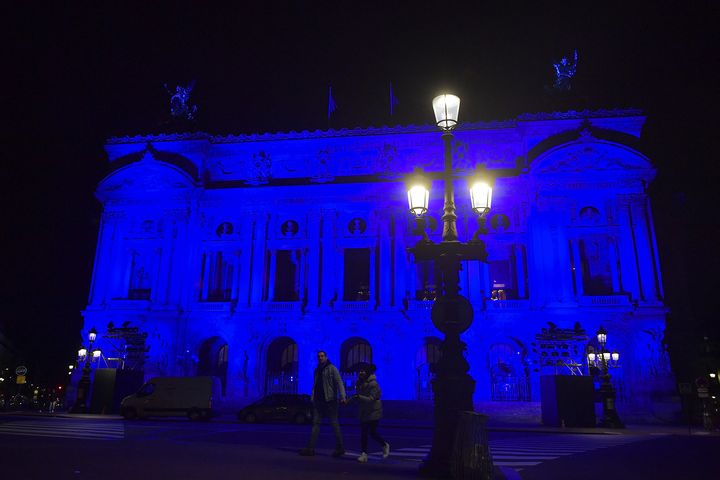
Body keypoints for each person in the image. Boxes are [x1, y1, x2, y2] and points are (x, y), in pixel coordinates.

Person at [299, 350, 347, 457]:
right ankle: (310, 449)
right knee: (315, 425)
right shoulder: (317, 370)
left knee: (334, 424)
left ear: (326, 357)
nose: (320, 358)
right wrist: (312, 397)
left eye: (322, 356)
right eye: (318, 356)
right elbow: (315, 385)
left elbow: (339, 382)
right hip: (318, 401)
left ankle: (340, 448)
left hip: (330, 401)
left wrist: (343, 396)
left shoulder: (332, 368)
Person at [352, 362, 390, 463]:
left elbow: (372, 398)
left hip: (374, 411)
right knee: (364, 433)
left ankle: (384, 444)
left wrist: (359, 397)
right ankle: (364, 454)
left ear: (368, 372)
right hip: (364, 410)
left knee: (373, 432)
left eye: (364, 371)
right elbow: (358, 395)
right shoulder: (359, 382)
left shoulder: (373, 383)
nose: (361, 372)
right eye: (360, 371)